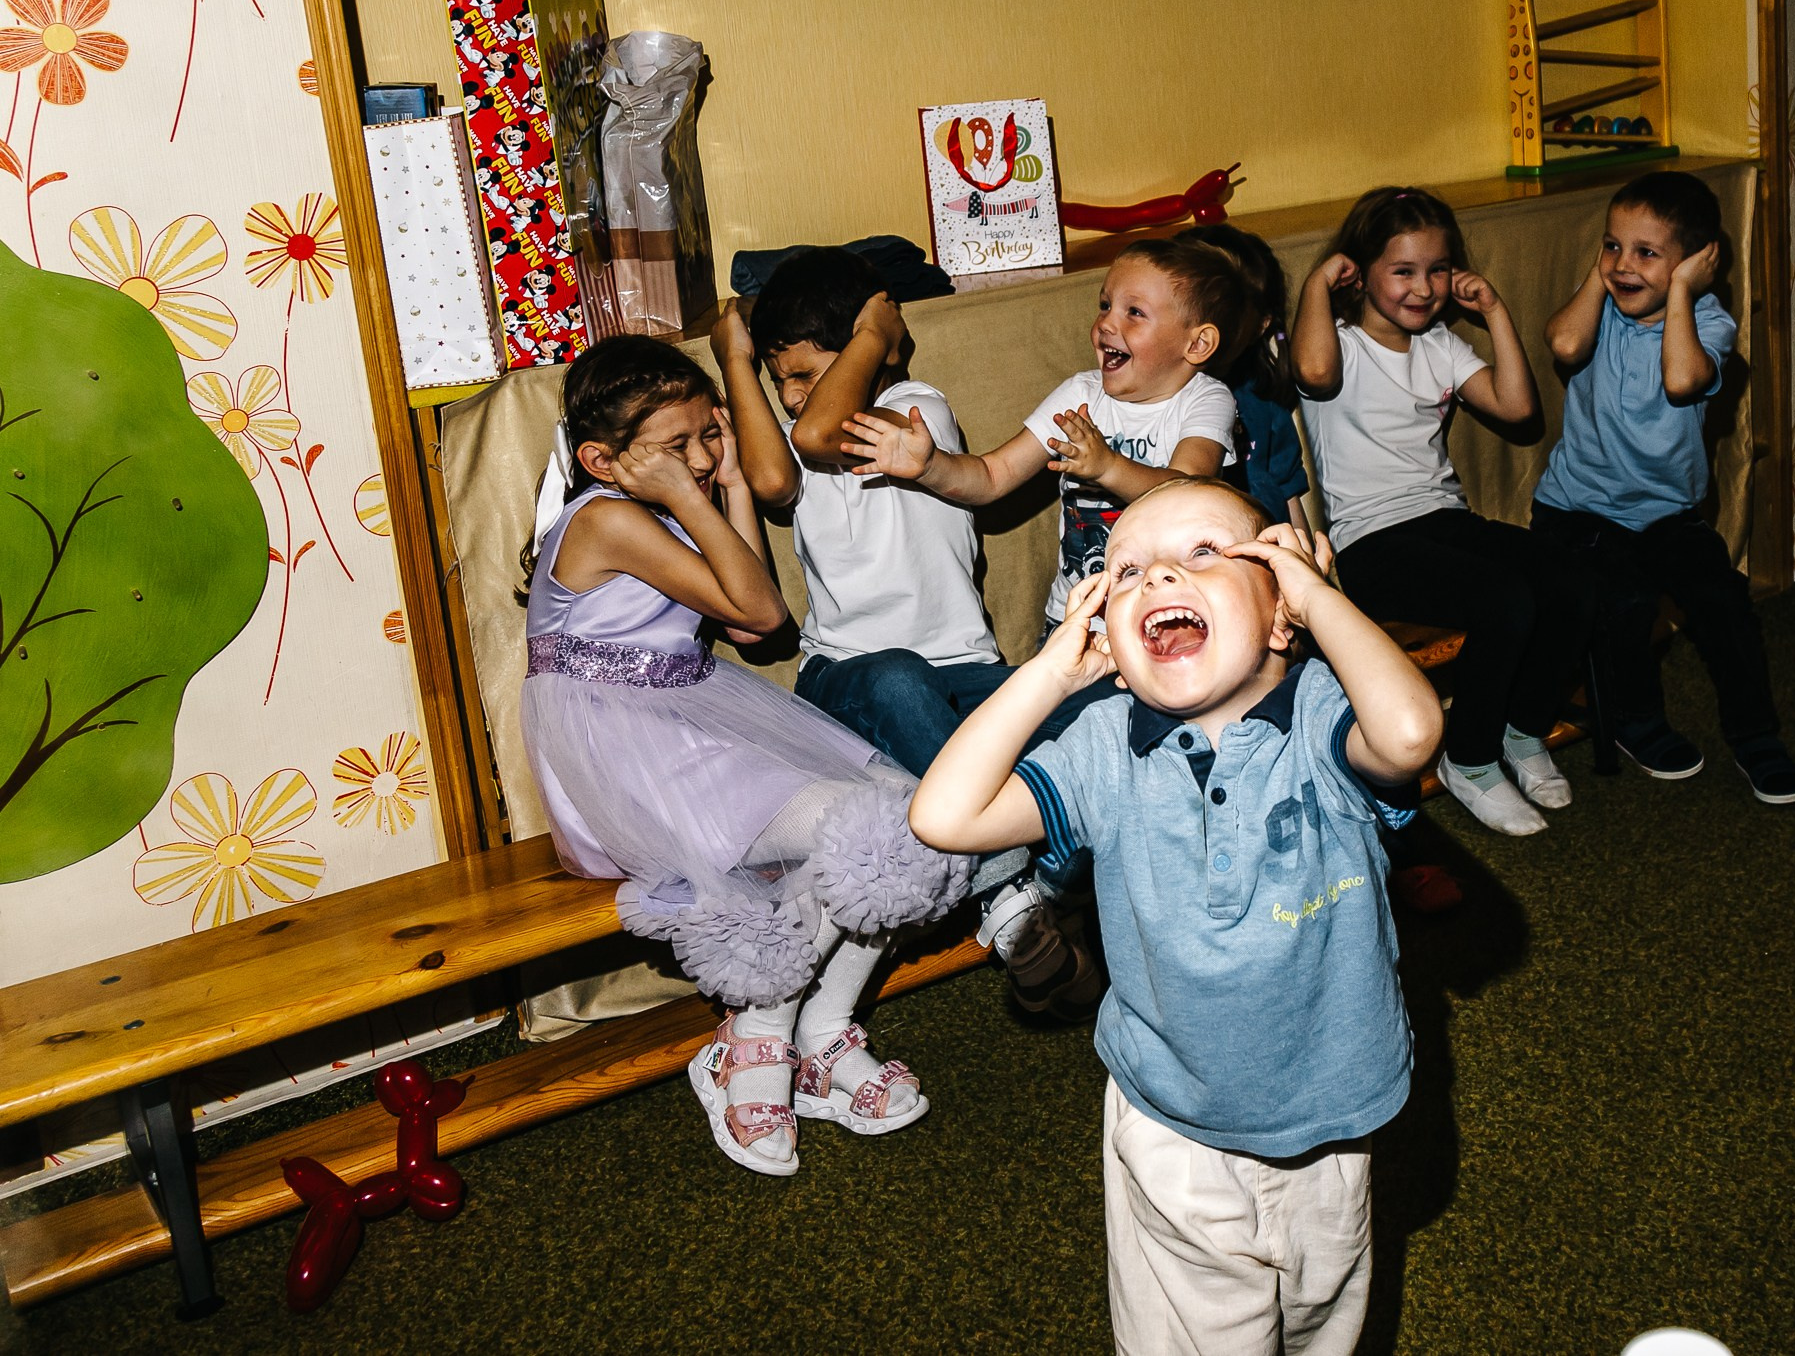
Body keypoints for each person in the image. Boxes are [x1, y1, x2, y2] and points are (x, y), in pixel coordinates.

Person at [910, 476, 1441, 1355]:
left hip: (1331, 1122)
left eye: (1203, 553)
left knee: (1324, 1330)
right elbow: (944, 815)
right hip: (1169, 1124)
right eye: (1123, 572)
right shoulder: (1104, 746)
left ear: (1280, 619)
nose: (1157, 577)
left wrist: (1318, 594)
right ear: (1112, 646)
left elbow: (1414, 732)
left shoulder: (1320, 715)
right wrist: (1051, 672)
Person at [518, 335, 968, 1177]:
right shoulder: (608, 518)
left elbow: (756, 624)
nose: (700, 453)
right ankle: (755, 1037)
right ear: (601, 461)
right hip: (627, 756)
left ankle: (823, 1037)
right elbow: (760, 605)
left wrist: (722, 487)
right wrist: (700, 494)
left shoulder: (658, 505)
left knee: (913, 814)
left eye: (707, 435)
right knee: (867, 824)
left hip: (694, 724)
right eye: (675, 445)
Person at [715, 247, 1105, 1019]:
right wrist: (735, 358)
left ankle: (1067, 868)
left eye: (805, 373)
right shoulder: (803, 438)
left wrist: (875, 337)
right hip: (849, 678)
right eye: (777, 378)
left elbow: (828, 426)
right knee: (898, 676)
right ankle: (1006, 893)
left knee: (1091, 699)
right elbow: (770, 479)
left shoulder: (915, 408)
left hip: (963, 667)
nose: (792, 397)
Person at [1292, 185, 1591, 837]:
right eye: (1402, 270)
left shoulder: (1439, 347)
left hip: (1445, 521)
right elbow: (1312, 375)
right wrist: (1317, 283)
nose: (1423, 287)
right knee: (1504, 598)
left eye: (1436, 268)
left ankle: (1520, 729)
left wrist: (1494, 311)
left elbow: (1517, 408)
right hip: (1370, 542)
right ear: (1360, 271)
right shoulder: (1336, 343)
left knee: (1566, 574)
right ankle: (1470, 758)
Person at [1531, 171, 1795, 804]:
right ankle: (1636, 721)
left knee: (1724, 602)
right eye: (1612, 245)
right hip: (1578, 508)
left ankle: (1756, 736)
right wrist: (1603, 276)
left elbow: (1683, 381)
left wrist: (1680, 292)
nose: (1624, 265)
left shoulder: (1709, 322)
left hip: (1664, 512)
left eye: (1647, 253)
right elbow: (1565, 343)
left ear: (1694, 267)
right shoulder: (1599, 308)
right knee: (1625, 601)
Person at [838, 238, 1245, 636]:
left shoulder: (1207, 400)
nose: (1107, 323)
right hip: (1079, 623)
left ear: (1197, 343)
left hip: (1173, 620)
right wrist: (930, 466)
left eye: (1134, 312)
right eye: (1105, 305)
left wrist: (1109, 467)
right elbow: (992, 475)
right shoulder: (1081, 394)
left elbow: (1189, 489)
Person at [1175, 224, 1312, 533]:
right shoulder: (1156, 398)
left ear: (1259, 325)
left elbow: (1288, 495)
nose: (1206, 324)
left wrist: (1308, 569)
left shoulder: (1262, 397)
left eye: (1225, 309)